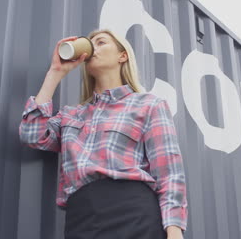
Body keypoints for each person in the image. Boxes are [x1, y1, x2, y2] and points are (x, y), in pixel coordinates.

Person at [18, 29, 188, 239]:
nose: (92, 49)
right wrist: (55, 72)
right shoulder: (71, 115)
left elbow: (169, 173)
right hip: (82, 220)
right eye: (90, 45)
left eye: (101, 42)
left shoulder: (148, 104)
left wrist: (174, 231)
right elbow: (32, 134)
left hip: (135, 215)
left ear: (122, 55)